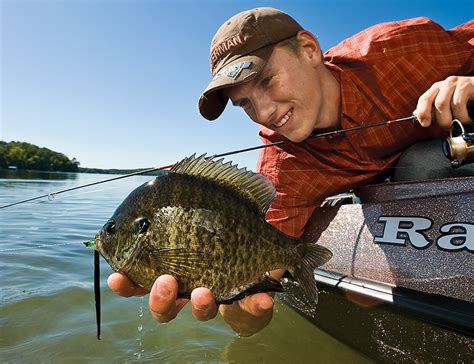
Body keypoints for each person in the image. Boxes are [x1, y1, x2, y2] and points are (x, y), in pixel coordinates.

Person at [108, 8, 473, 337]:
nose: (264, 111)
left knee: (421, 163)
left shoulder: (398, 50)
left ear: (310, 49)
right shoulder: (282, 170)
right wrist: (245, 314)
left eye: (266, 80)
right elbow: (259, 288)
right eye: (245, 103)